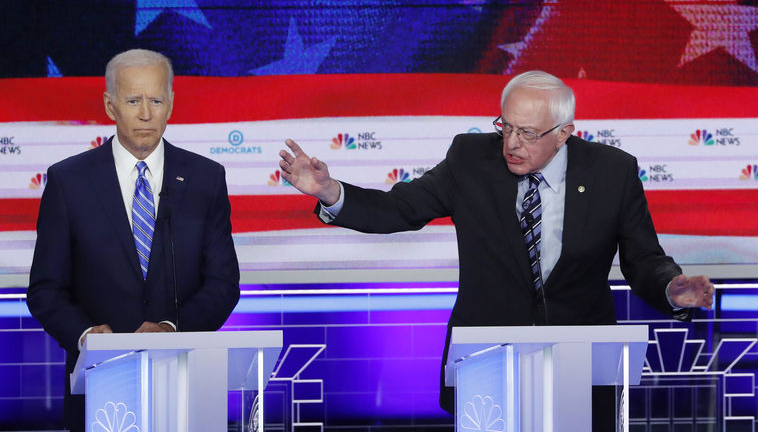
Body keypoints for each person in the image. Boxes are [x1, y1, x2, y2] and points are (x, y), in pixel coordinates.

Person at [279, 70, 714, 429]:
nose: (511, 144)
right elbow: (400, 209)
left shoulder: (612, 171)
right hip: (487, 362)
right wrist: (331, 191)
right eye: (505, 126)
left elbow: (643, 260)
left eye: (527, 133)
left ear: (564, 132)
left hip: (580, 364)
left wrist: (671, 288)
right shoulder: (470, 159)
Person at [26, 49, 241, 431]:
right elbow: (46, 289)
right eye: (133, 100)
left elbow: (223, 283)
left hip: (186, 381)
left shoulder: (205, 178)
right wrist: (85, 335)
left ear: (171, 104)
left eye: (156, 100)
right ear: (110, 106)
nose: (146, 113)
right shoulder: (69, 181)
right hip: (100, 386)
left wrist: (172, 329)